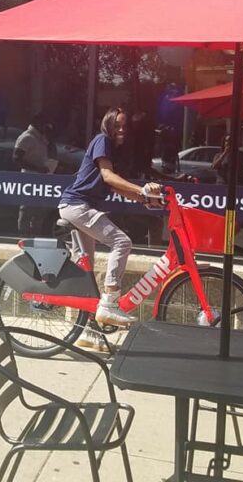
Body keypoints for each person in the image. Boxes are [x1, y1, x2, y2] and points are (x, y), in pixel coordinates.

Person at [59, 108, 162, 337]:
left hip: (79, 208)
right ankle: (110, 303)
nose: (122, 129)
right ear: (108, 125)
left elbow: (115, 186)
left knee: (84, 273)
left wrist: (145, 199)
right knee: (122, 242)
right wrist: (141, 189)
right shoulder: (102, 140)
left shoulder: (113, 150)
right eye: (117, 125)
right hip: (77, 206)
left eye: (125, 125)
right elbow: (107, 176)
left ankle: (88, 332)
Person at [13, 113, 57, 236]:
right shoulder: (26, 137)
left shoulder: (41, 138)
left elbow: (52, 150)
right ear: (37, 123)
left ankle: (35, 234)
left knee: (39, 209)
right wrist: (37, 168)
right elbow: (16, 158)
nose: (46, 126)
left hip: (41, 178)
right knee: (26, 209)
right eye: (44, 124)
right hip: (29, 177)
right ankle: (23, 235)